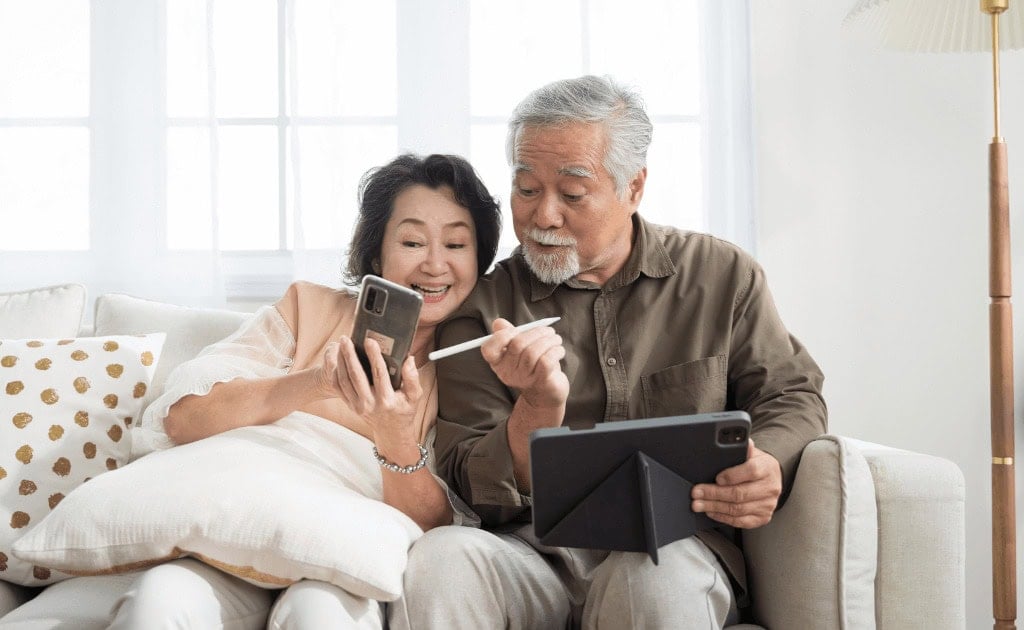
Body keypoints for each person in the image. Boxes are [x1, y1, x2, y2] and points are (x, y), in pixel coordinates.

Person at [389, 75, 828, 629]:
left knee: (653, 577)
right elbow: (471, 487)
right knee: (441, 560)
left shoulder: (721, 276)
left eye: (572, 194)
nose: (543, 216)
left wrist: (766, 461)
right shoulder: (482, 308)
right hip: (532, 554)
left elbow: (791, 394)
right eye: (526, 189)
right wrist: (534, 410)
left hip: (675, 545)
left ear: (634, 188)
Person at [0, 153, 502, 630]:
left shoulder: (473, 366)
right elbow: (185, 416)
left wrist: (393, 435)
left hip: (338, 556)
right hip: (225, 531)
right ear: (377, 250)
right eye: (413, 243)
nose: (435, 265)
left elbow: (440, 525)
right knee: (162, 598)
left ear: (479, 261)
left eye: (456, 245)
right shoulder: (307, 307)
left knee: (320, 615)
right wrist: (316, 383)